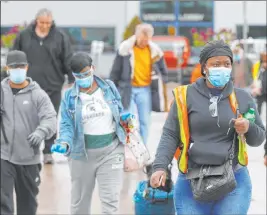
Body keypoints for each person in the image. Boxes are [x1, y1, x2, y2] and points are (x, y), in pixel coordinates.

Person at [150, 40, 266, 215]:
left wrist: (248, 127)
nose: (222, 68)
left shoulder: (242, 98)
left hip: (234, 181)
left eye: (227, 64)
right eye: (216, 64)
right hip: (191, 180)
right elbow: (170, 134)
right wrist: (160, 167)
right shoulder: (185, 96)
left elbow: (258, 138)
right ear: (204, 67)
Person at [52, 52, 128, 214]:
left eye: (87, 73)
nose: (84, 78)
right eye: (79, 76)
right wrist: (64, 142)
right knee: (79, 204)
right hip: (81, 155)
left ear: (93, 68)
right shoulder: (69, 96)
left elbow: (119, 111)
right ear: (73, 76)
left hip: (112, 151)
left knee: (111, 201)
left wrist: (125, 119)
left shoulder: (108, 87)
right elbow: (66, 125)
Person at [12, 8, 74, 164]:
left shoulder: (60, 37)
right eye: (42, 22)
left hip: (53, 85)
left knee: (50, 119)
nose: (45, 26)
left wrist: (72, 78)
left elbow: (67, 58)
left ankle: (48, 152)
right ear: (36, 21)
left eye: (48, 23)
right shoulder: (24, 36)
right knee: (27, 120)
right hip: (27, 86)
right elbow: (13, 56)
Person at [0, 50, 57, 215]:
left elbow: (50, 118)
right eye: (13, 66)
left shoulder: (38, 94)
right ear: (7, 68)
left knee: (28, 205)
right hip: (3, 157)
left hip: (28, 159)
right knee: (3, 202)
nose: (17, 69)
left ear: (27, 67)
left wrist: (41, 131)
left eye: (21, 66)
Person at [110, 23, 168, 145]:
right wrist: (111, 88)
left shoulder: (155, 51)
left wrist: (162, 83)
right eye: (142, 39)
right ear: (136, 36)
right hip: (128, 89)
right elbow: (115, 70)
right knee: (128, 119)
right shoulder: (125, 49)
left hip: (145, 89)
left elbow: (163, 71)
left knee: (145, 122)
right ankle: (130, 148)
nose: (144, 42)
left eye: (147, 40)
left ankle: (142, 149)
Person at [251, 50, 267, 115]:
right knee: (258, 108)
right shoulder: (258, 65)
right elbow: (254, 76)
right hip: (260, 91)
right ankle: (258, 122)